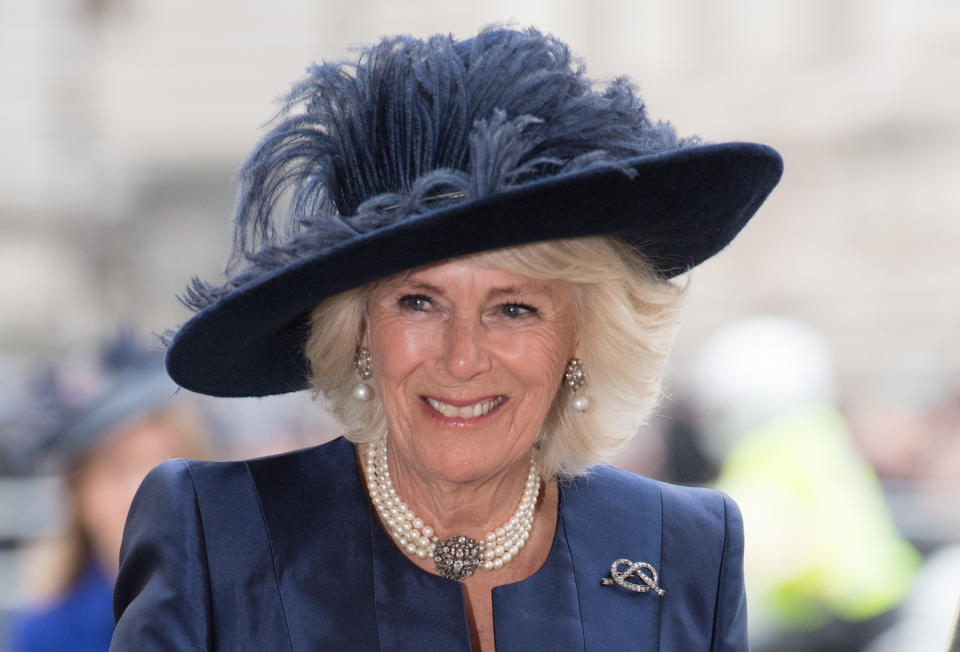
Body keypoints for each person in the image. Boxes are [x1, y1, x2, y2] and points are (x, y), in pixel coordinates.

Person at [111, 27, 782, 651]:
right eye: (419, 301)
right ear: (361, 329)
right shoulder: (213, 532)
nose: (462, 358)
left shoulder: (687, 550)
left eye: (514, 309)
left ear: (583, 338)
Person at [8, 336, 209, 652]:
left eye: (167, 462)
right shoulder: (48, 632)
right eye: (119, 468)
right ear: (79, 493)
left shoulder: (247, 604)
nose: (145, 487)